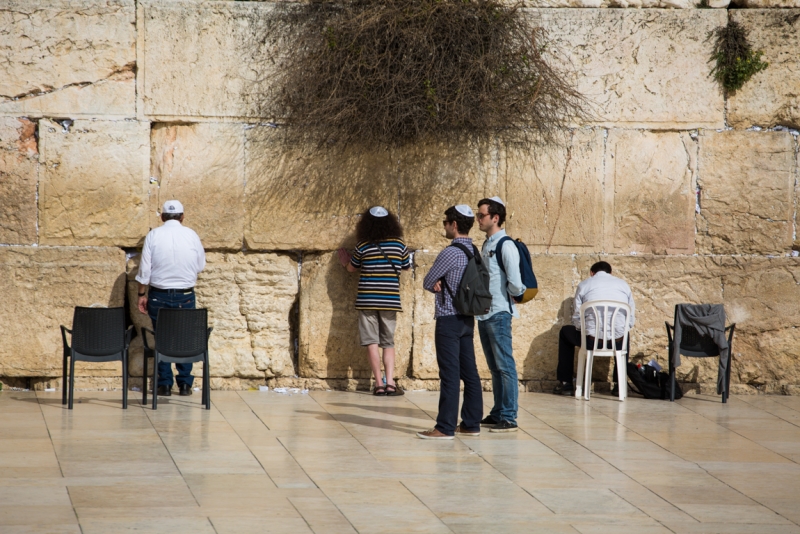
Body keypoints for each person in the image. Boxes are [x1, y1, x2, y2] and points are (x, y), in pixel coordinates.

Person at [417, 205, 483, 439]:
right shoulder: (474, 251)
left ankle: (444, 427)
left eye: (446, 222)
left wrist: (438, 283)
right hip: (467, 318)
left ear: (454, 225)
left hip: (448, 318)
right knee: (470, 372)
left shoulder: (450, 252)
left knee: (450, 374)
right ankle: (471, 424)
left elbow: (427, 281)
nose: (444, 226)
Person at [337, 206, 411, 396]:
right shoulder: (399, 245)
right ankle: (391, 384)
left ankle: (378, 384)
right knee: (388, 342)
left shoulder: (363, 245)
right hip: (390, 300)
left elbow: (352, 269)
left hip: (367, 299)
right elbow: (406, 268)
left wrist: (345, 260)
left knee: (371, 342)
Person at [136, 200, 206, 397]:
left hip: (159, 295)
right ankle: (185, 384)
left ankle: (164, 384)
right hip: (185, 295)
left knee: (162, 337)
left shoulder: (154, 235)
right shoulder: (191, 235)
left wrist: (142, 294)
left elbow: (144, 271)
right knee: (184, 338)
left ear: (162, 217)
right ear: (182, 217)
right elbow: (200, 265)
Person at [475, 197, 525, 433]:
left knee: (505, 366)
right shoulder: (487, 244)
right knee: (495, 367)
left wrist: (517, 293)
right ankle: (497, 412)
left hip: (499, 313)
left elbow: (515, 282)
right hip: (485, 313)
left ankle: (509, 416)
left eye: (482, 215)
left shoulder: (506, 245)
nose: (478, 219)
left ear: (495, 218)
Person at [553, 261, 635, 396]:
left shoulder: (584, 284)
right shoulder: (623, 285)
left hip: (591, 340)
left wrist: (585, 331)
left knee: (564, 332)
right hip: (617, 341)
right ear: (611, 273)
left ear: (592, 273)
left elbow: (577, 317)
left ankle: (566, 383)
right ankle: (618, 385)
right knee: (625, 333)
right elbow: (630, 317)